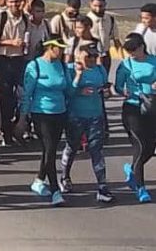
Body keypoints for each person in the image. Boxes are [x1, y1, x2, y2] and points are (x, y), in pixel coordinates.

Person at [19, 35, 70, 206]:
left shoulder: (62, 65)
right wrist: (22, 118)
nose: (62, 51)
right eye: (59, 48)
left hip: (60, 112)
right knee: (49, 149)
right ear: (50, 47)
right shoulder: (34, 66)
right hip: (41, 113)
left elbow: (68, 88)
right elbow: (27, 94)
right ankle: (55, 190)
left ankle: (39, 180)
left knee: (51, 149)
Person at [60, 43, 113, 203]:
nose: (92, 59)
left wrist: (105, 91)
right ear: (79, 56)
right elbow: (67, 91)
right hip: (75, 116)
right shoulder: (69, 69)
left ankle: (102, 186)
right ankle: (64, 177)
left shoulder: (100, 69)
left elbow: (107, 91)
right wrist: (78, 78)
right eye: (88, 56)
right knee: (72, 146)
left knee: (97, 150)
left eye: (94, 56)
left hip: (95, 116)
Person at [114, 33, 156, 203]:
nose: (131, 53)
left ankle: (131, 170)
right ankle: (140, 188)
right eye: (128, 51)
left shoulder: (153, 60)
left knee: (150, 147)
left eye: (133, 50)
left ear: (141, 47)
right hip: (133, 108)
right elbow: (117, 86)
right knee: (139, 145)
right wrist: (124, 91)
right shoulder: (125, 65)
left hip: (152, 105)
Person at [0, 0, 28, 146]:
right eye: (11, 2)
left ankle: (19, 128)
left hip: (19, 59)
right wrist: (11, 42)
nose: (14, 5)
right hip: (3, 59)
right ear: (6, 3)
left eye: (17, 2)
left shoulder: (25, 18)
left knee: (22, 94)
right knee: (6, 97)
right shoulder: (1, 17)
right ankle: (6, 132)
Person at [86, 0, 121, 70]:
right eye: (95, 6)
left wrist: (124, 58)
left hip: (106, 55)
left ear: (105, 4)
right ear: (90, 4)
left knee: (105, 79)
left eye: (101, 6)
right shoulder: (85, 21)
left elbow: (116, 40)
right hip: (90, 55)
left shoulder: (110, 19)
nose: (98, 9)